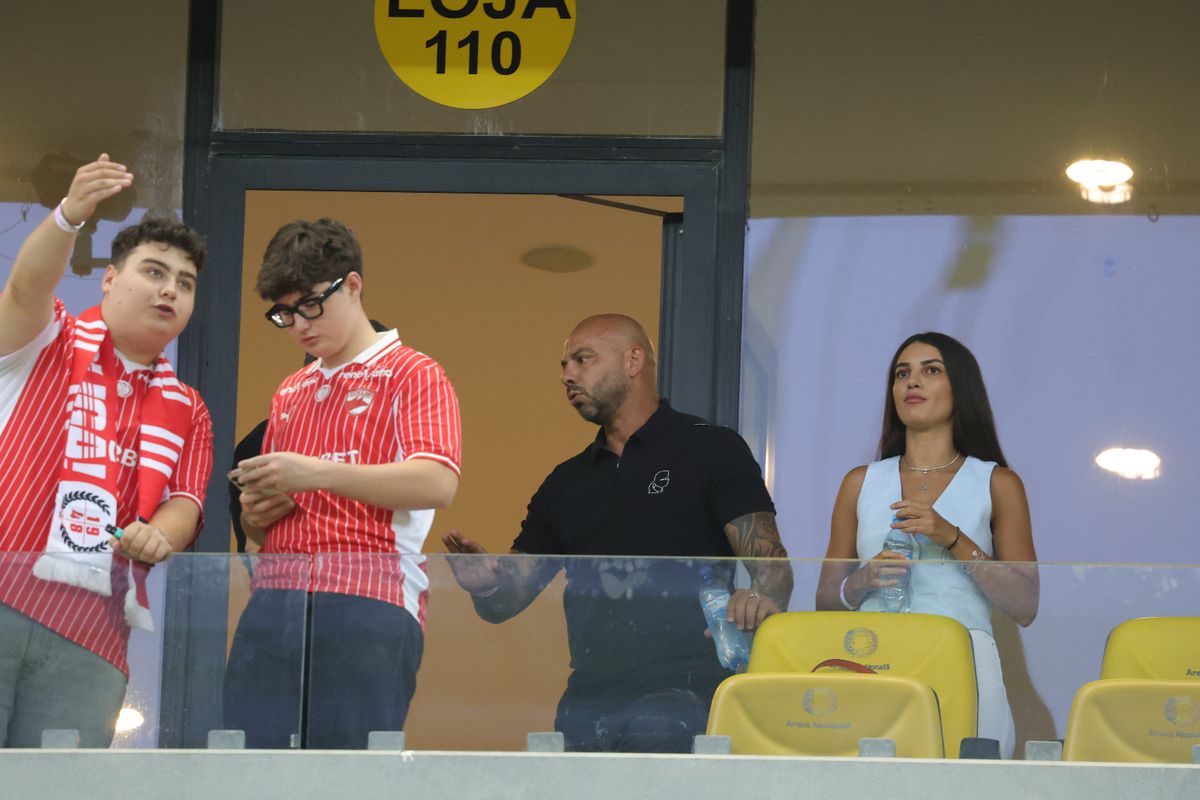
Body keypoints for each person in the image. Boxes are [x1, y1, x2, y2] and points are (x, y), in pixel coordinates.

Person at [443, 314, 791, 753]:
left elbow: (773, 566)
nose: (567, 376)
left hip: (685, 693)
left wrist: (759, 597)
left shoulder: (711, 449)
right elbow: (508, 599)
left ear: (633, 360)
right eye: (564, 365)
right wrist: (487, 583)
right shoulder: (565, 483)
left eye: (583, 359)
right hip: (586, 703)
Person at [0, 154, 213, 747]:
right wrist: (69, 216)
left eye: (185, 283)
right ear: (110, 279)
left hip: (92, 634)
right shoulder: (49, 337)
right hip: (2, 591)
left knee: (62, 788)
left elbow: (185, 503)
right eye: (154, 271)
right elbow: (24, 288)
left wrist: (159, 535)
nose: (170, 289)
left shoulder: (189, 407)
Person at [224, 218, 462, 749]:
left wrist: (315, 473)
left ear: (352, 285)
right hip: (275, 597)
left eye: (311, 304)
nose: (299, 325)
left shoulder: (413, 372)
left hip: (370, 595)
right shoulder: (291, 389)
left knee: (348, 771)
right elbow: (260, 525)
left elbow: (437, 480)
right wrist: (255, 515)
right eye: (284, 313)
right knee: (246, 769)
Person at [815, 331, 1037, 758]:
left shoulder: (998, 483)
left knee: (963, 779)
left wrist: (952, 538)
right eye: (902, 374)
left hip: (963, 658)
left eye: (931, 371)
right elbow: (826, 601)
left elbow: (1025, 604)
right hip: (874, 656)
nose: (912, 382)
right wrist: (862, 581)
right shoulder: (859, 482)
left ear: (961, 388)